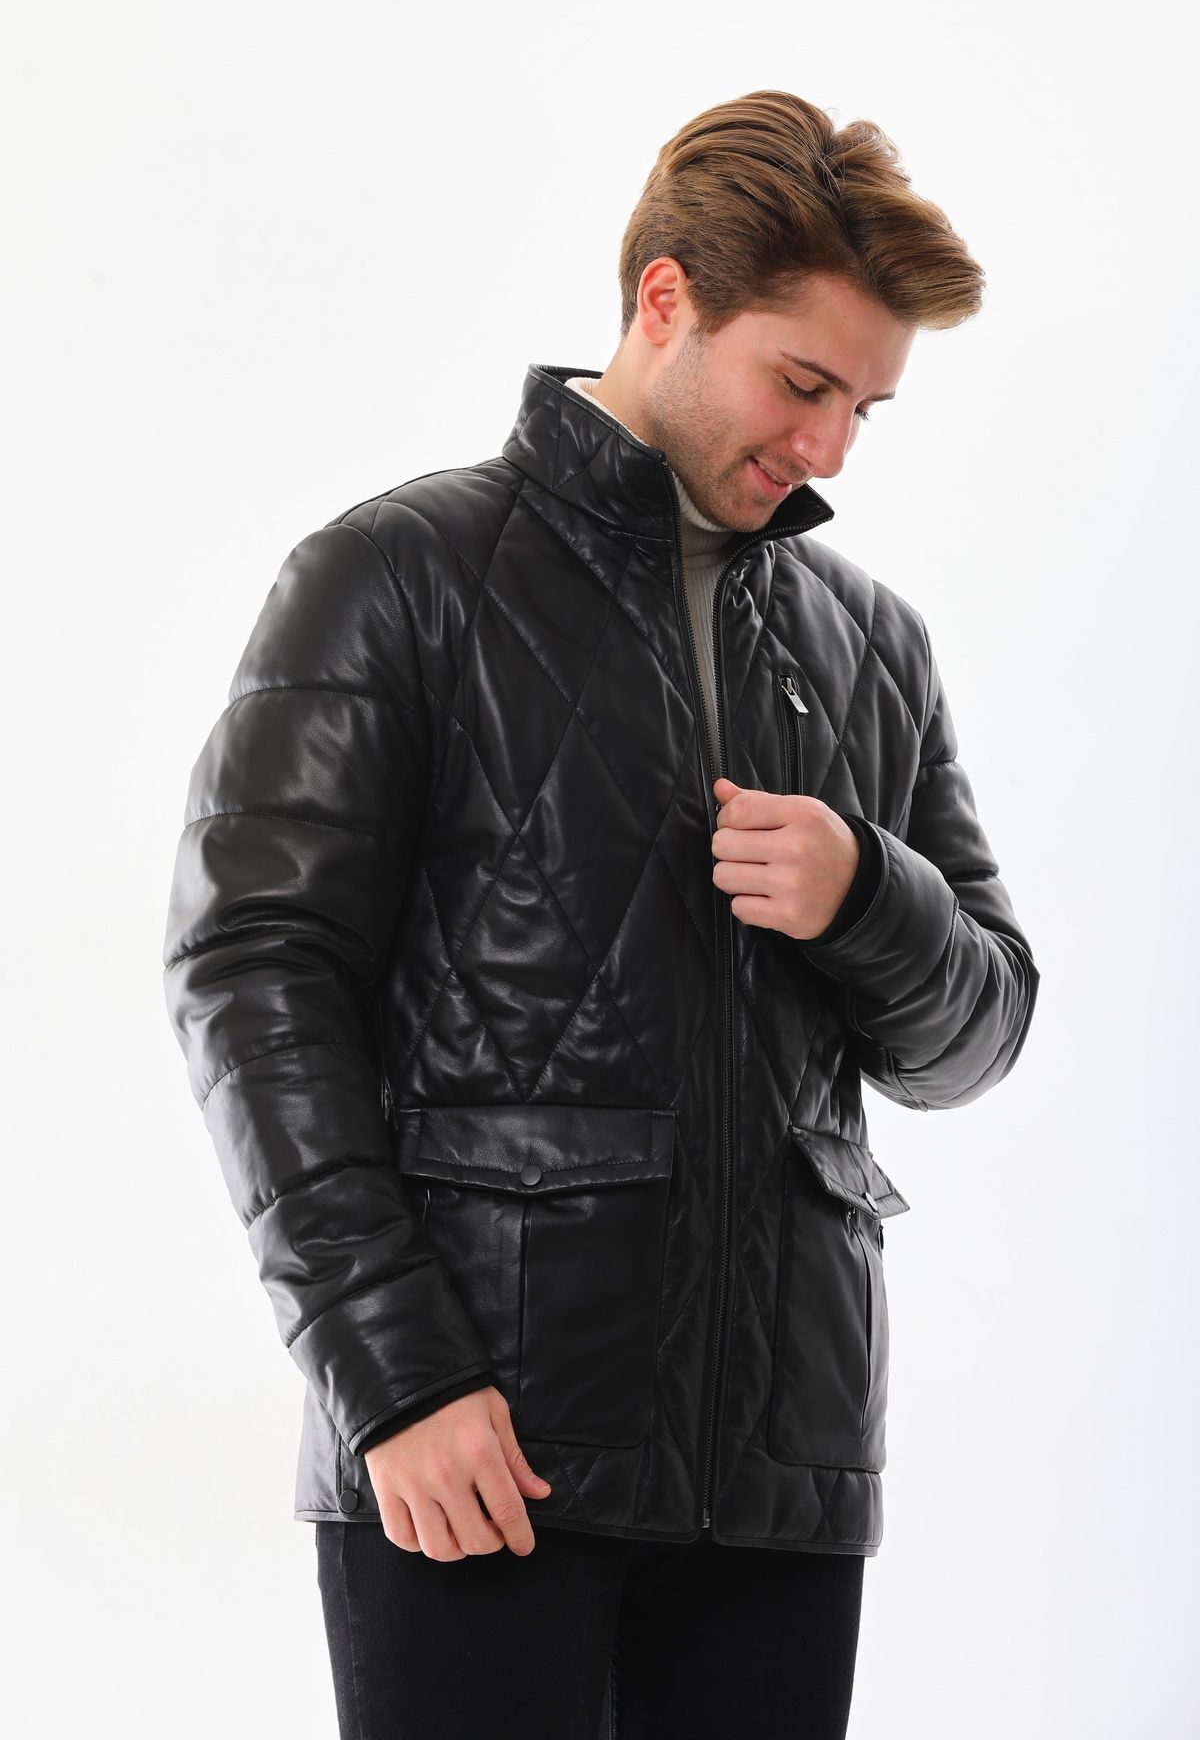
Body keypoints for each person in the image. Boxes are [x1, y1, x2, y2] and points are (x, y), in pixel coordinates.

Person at [161, 88, 1039, 1739]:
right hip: (481, 1446)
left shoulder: (875, 647)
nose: (831, 449)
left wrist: (869, 894)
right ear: (665, 299)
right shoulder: (397, 575)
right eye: (803, 383)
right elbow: (255, 978)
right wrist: (394, 1378)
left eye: (866, 407)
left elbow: (978, 1032)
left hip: (780, 1477)